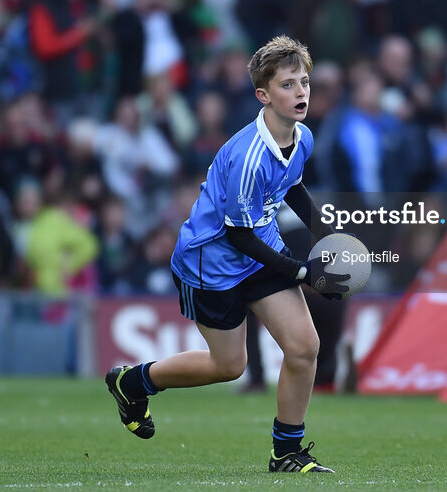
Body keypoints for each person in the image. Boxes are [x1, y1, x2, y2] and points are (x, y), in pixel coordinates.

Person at [104, 36, 347, 473]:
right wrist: (303, 272)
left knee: (304, 346)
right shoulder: (248, 157)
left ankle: (286, 452)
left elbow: (290, 184)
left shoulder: (302, 137)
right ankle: (132, 382)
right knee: (229, 365)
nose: (301, 92)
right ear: (263, 95)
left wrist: (326, 235)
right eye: (288, 84)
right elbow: (238, 237)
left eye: (305, 82)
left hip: (258, 247)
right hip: (209, 263)